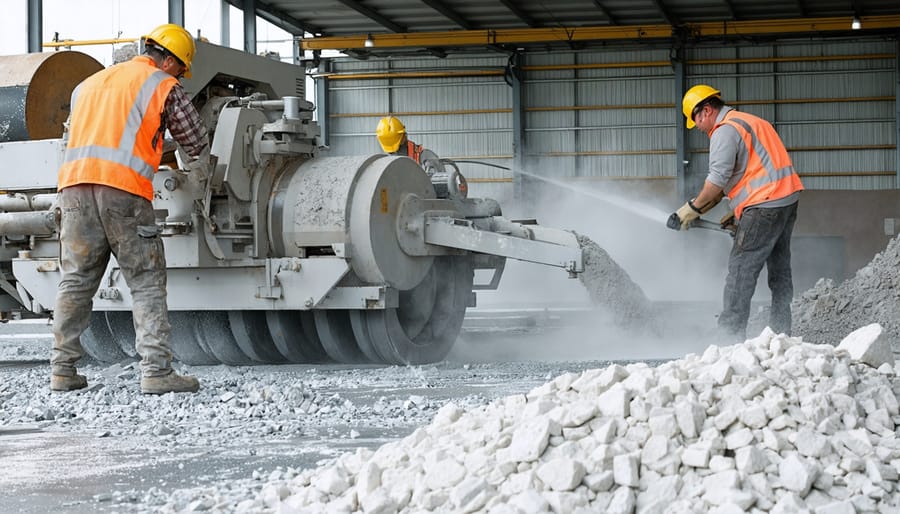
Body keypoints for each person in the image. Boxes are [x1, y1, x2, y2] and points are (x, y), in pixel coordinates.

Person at [50, 24, 209, 394]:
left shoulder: (89, 85)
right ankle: (156, 372)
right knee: (145, 280)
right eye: (180, 69)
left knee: (75, 282)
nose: (178, 77)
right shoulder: (161, 84)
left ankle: (62, 370)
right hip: (122, 192)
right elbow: (196, 141)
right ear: (168, 59)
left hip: (73, 189)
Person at [671, 84, 804, 339]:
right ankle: (781, 332)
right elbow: (751, 171)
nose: (698, 127)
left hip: (764, 205)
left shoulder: (724, 132)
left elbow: (717, 182)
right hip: (786, 200)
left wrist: (689, 210)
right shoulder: (751, 121)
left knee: (741, 269)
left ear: (706, 111)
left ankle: (728, 336)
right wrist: (739, 210)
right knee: (780, 270)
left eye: (695, 120)